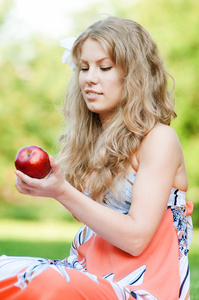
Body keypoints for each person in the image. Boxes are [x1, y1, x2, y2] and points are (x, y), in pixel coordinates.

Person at [0, 16, 193, 300]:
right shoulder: (94, 140)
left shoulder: (159, 139)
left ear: (135, 75)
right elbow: (97, 217)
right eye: (83, 67)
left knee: (46, 283)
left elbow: (136, 238)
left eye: (104, 67)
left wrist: (62, 191)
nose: (90, 78)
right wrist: (50, 188)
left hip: (143, 284)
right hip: (89, 271)